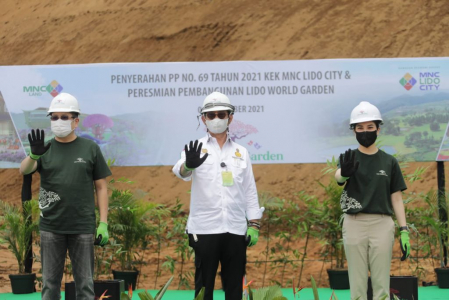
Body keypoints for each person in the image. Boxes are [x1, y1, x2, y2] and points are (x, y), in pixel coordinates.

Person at [19, 93, 112, 300]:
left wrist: (103, 223)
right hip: (51, 227)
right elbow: (24, 171)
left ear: (75, 121)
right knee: (50, 286)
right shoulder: (44, 149)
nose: (58, 121)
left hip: (82, 226)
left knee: (85, 286)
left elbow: (101, 187)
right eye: (54, 117)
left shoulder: (90, 148)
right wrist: (34, 155)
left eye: (64, 117)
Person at [172, 92, 264, 300]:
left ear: (230, 117)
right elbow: (179, 171)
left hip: (235, 229)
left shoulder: (241, 152)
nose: (216, 119)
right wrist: (189, 165)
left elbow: (249, 190)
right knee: (204, 290)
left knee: (234, 290)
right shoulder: (195, 149)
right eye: (210, 115)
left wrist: (254, 224)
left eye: (220, 114)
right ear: (203, 118)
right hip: (205, 229)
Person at [334, 101, 410, 300]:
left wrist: (404, 230)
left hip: (382, 223)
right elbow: (338, 178)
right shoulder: (348, 158)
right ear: (354, 131)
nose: (364, 131)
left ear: (378, 129)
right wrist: (344, 173)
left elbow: (397, 198)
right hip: (354, 223)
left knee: (381, 283)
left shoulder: (389, 161)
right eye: (359, 128)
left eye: (369, 127)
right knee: (357, 284)